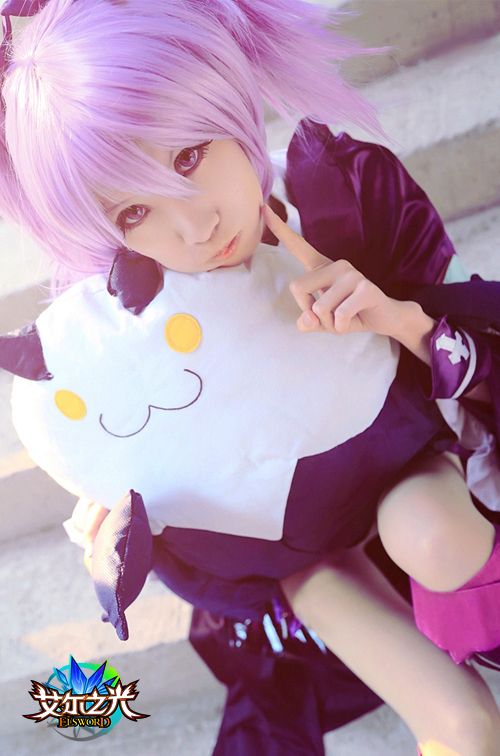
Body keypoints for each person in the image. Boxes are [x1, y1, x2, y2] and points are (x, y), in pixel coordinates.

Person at [1, 1, 500, 754]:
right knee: (463, 728)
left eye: (189, 157)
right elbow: (175, 520)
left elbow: (480, 343)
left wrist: (399, 320)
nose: (195, 226)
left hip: (410, 469)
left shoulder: (341, 193)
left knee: (430, 533)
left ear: (220, 92)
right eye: (134, 212)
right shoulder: (125, 331)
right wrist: (124, 531)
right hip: (299, 553)